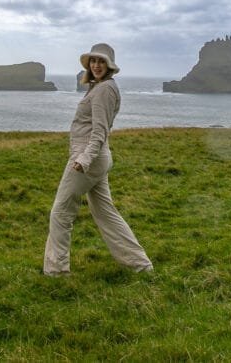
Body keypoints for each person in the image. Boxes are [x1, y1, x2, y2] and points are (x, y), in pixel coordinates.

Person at [43, 43, 154, 276]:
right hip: (96, 159)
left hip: (87, 160)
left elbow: (100, 131)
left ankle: (56, 271)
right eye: (93, 61)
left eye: (101, 62)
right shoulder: (101, 87)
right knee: (106, 213)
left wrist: (84, 159)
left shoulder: (104, 90)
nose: (96, 65)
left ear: (109, 65)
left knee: (60, 212)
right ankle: (140, 265)